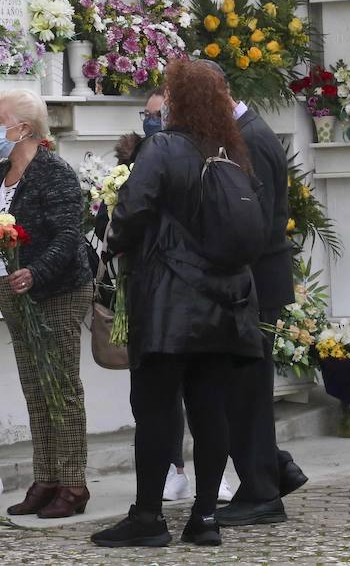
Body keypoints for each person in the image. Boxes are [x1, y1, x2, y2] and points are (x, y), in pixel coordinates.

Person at [91, 61, 263, 549]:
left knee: (156, 412)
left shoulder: (164, 148)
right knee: (211, 411)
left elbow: (132, 210)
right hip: (227, 302)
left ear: (179, 99)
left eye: (168, 92)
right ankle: (205, 516)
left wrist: (114, 243)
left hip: (169, 301)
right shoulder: (233, 150)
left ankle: (148, 518)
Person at [0, 89, 94, 519]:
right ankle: (46, 479)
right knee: (35, 389)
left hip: (57, 293)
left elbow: (69, 236)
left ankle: (73, 483)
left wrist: (36, 272)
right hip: (13, 294)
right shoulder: (4, 172)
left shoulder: (54, 172)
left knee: (61, 389)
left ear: (23, 128)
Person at [216, 83, 309, 527]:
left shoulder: (248, 137)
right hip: (255, 283)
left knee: (247, 394)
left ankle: (261, 493)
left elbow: (252, 219)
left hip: (254, 286)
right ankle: (274, 469)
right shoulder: (247, 129)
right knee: (238, 392)